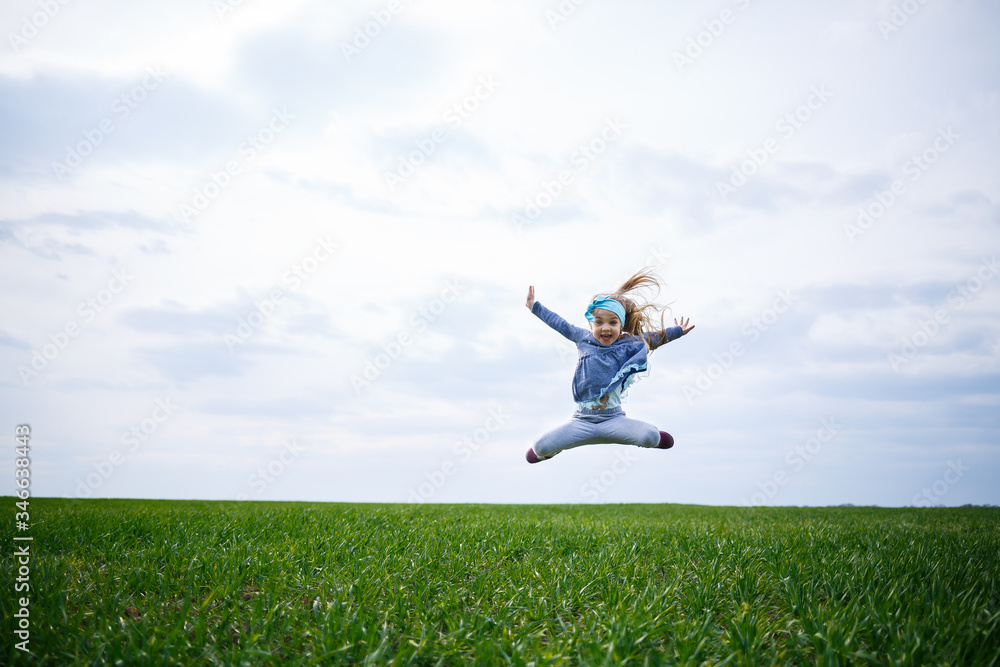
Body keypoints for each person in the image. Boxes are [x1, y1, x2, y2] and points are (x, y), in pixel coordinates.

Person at [524, 268, 694, 463]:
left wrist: (677, 331)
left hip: (614, 421)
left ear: (621, 326)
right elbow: (560, 324)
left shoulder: (629, 343)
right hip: (582, 422)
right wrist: (534, 306)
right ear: (591, 325)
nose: (605, 327)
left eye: (613, 323)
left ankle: (647, 437)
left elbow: (653, 338)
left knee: (651, 437)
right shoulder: (583, 339)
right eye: (599, 322)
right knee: (538, 447)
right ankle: (551, 451)